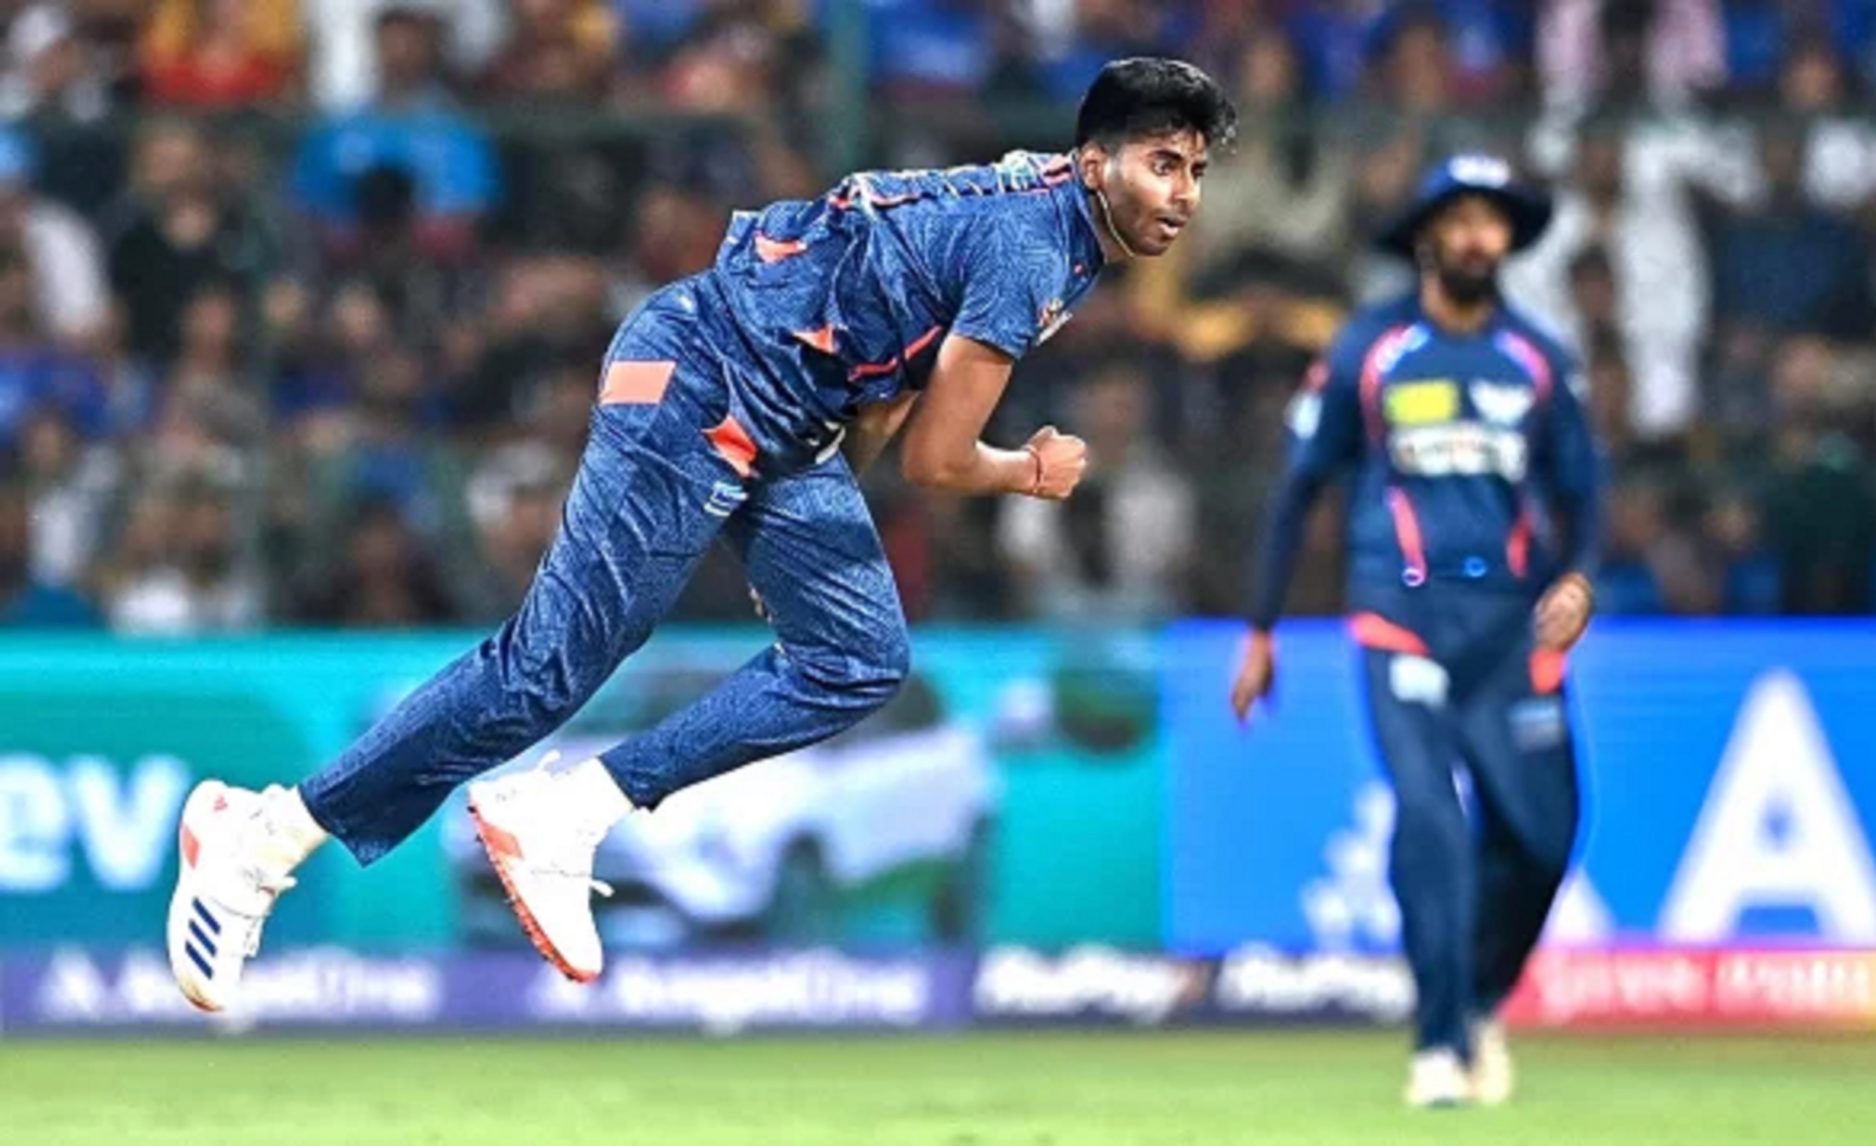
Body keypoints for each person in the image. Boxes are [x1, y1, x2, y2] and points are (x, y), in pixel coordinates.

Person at [167, 57, 1236, 1013]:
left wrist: (800, 550)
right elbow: (940, 460)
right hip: (703, 379)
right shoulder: (1033, 249)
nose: (1182, 194)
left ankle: (572, 810)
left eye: (1193, 170)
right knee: (548, 667)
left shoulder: (1045, 209)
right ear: (1092, 163)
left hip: (788, 413)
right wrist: (1028, 470)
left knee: (859, 655)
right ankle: (261, 838)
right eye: (1161, 165)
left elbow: (892, 376)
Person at [1229, 155, 1601, 1109]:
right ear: (1428, 237)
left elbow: (1584, 493)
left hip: (1513, 629)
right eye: (1461, 220)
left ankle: (1476, 1000)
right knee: (1431, 818)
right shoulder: (1371, 348)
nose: (1479, 238)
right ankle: (1437, 1044)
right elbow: (1299, 488)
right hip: (1402, 618)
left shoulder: (1539, 356)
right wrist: (1262, 628)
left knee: (1545, 836)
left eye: (1493, 222)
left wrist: (1578, 580)